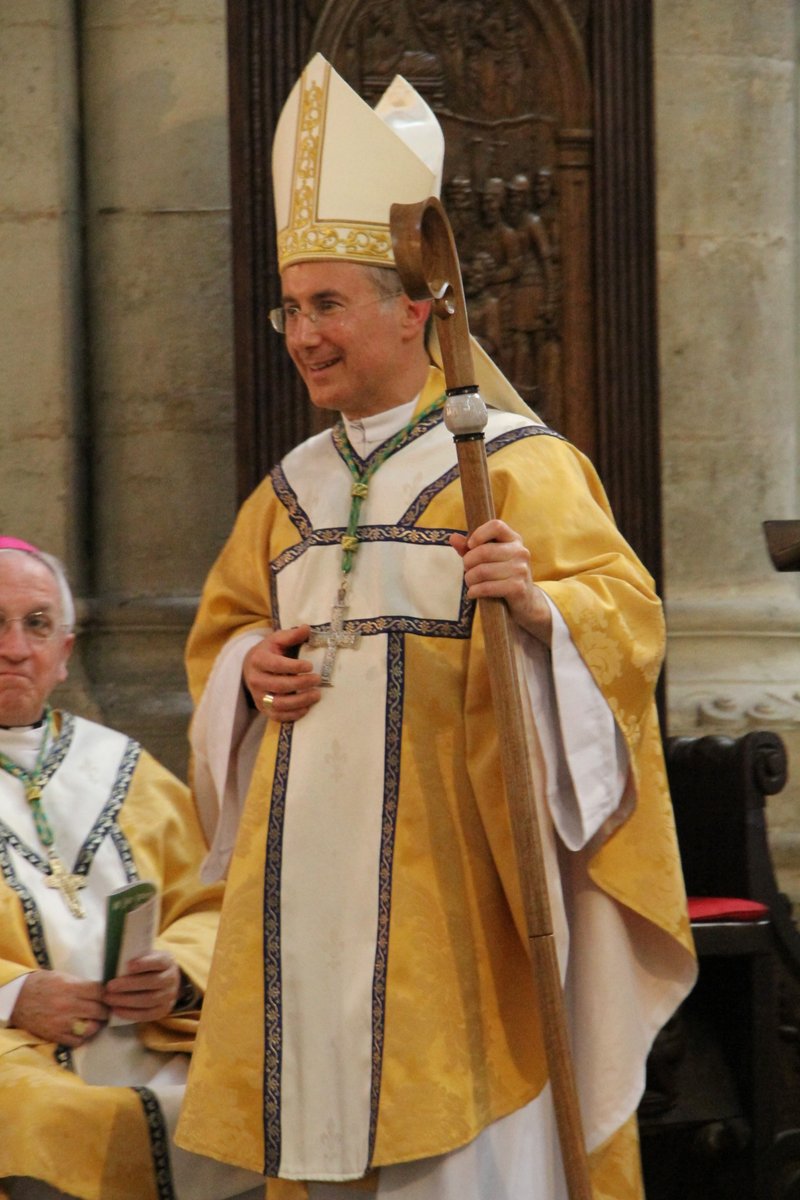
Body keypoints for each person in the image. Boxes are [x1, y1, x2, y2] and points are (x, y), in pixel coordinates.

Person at [175, 55, 696, 1200]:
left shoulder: (513, 466)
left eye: (327, 306)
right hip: (302, 911)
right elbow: (220, 649)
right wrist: (249, 675)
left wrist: (539, 609)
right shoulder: (285, 493)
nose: (301, 334)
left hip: (458, 907)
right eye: (290, 307)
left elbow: (625, 627)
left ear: (414, 310)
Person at [0, 538, 266, 1200]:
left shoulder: (124, 767)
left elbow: (210, 903)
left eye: (36, 625)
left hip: (154, 1033)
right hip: (14, 1052)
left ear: (64, 653)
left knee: (274, 1084)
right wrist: (14, 997)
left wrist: (175, 977)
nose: (14, 648)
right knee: (64, 1118)